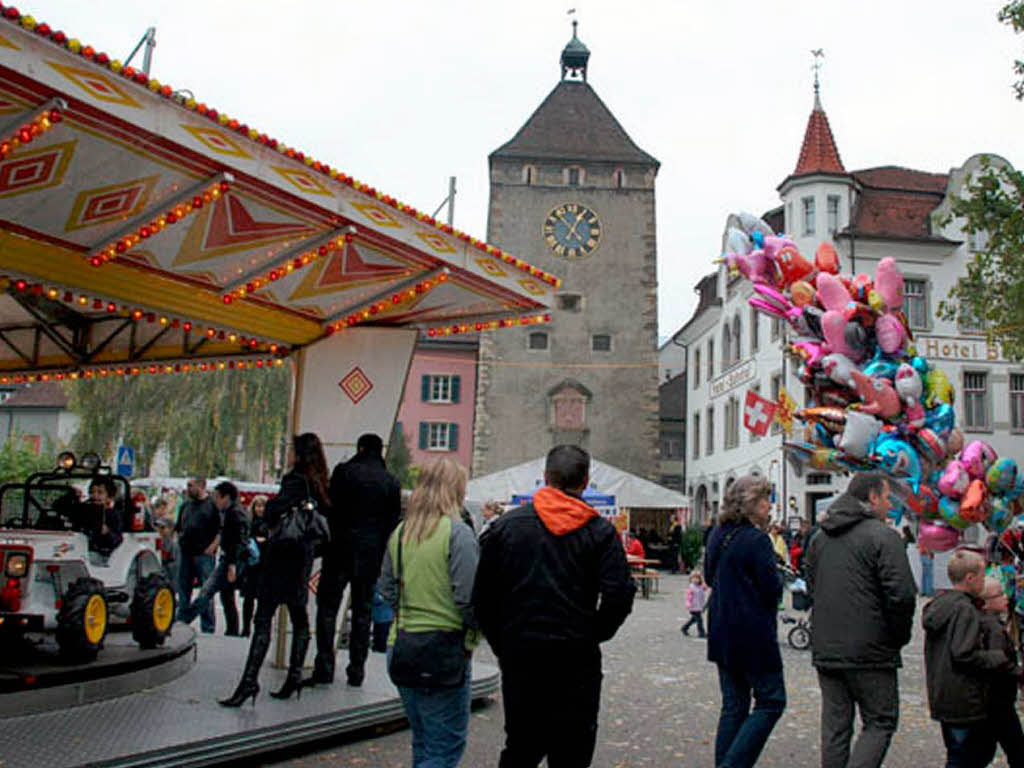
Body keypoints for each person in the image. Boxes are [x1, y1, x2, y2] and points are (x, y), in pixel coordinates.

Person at [473, 444, 635, 768]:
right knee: (572, 751)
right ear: (586, 481)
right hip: (575, 655)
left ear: (545, 477)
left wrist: (502, 640)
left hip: (522, 652)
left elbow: (483, 597)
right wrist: (595, 632)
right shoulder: (599, 531)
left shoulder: (507, 527)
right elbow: (620, 592)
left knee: (520, 745)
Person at [804, 471, 917, 768]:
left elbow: (812, 585)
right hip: (871, 649)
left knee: (835, 727)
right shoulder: (884, 537)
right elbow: (902, 594)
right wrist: (896, 636)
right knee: (880, 721)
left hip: (828, 647)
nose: (890, 506)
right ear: (872, 497)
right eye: (886, 498)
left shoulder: (820, 537)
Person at [377, 459, 479, 768]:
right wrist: (477, 631)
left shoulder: (400, 534)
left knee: (423, 740)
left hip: (403, 643)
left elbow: (387, 588)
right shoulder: (457, 534)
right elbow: (468, 598)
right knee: (444, 747)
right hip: (444, 649)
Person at [220, 433, 330, 707]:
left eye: (292, 449)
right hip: (302, 557)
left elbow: (272, 512)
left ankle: (249, 682)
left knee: (263, 618)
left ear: (299, 453)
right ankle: (293, 676)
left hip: (281, 556)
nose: (288, 453)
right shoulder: (319, 483)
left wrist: (269, 511)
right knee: (299, 616)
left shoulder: (294, 481)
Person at [307, 433, 401, 689]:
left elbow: (329, 508)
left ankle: (325, 665)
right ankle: (356, 670)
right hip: (370, 557)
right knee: (363, 612)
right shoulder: (391, 482)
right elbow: (393, 523)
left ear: (360, 448)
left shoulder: (344, 472)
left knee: (328, 608)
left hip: (340, 551)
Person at [704, 474, 785, 768]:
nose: (768, 507)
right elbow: (771, 588)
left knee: (734, 705)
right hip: (752, 633)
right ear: (751, 504)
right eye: (765, 500)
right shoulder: (756, 540)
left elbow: (710, 573)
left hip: (722, 628)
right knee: (772, 700)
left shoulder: (717, 533)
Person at [923, 548, 1015, 767]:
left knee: (959, 755)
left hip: (943, 695)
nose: (984, 582)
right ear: (970, 578)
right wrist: (996, 657)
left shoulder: (940, 605)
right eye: (982, 576)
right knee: (966, 759)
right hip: (965, 699)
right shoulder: (965, 610)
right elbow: (963, 654)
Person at [179, 481, 248, 636]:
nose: (215, 501)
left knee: (207, 591)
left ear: (226, 497)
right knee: (226, 596)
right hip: (229, 559)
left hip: (230, 560)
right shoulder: (232, 512)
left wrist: (232, 564)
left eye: (218, 497)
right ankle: (232, 630)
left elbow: (237, 541)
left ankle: (183, 620)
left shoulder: (234, 514)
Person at [979, 575, 1024, 766]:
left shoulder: (988, 624)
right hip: (999, 700)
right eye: (999, 595)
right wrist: (1018, 673)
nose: (1006, 597)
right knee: (1016, 749)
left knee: (984, 751)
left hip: (993, 700)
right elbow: (999, 662)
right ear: (986, 603)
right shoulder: (993, 628)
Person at [175, 477, 220, 634]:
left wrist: (213, 546)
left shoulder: (212, 505)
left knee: (205, 591)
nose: (187, 489)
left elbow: (220, 529)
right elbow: (179, 526)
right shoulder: (186, 505)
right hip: (186, 552)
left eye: (190, 485)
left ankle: (207, 626)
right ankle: (181, 622)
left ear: (201, 486)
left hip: (203, 554)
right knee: (183, 589)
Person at [240, 494, 269, 638]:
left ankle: (259, 627)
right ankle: (245, 628)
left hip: (265, 565)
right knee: (249, 598)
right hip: (252, 565)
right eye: (258, 506)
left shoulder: (270, 523)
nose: (260, 509)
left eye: (263, 506)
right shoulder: (249, 523)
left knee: (263, 599)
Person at [682, 571, 709, 638]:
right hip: (693, 606)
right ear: (691, 579)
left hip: (699, 606)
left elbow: (705, 588)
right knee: (699, 620)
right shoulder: (691, 587)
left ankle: (684, 628)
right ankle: (701, 633)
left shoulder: (700, 586)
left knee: (694, 619)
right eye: (693, 578)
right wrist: (688, 603)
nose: (695, 580)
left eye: (697, 578)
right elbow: (688, 597)